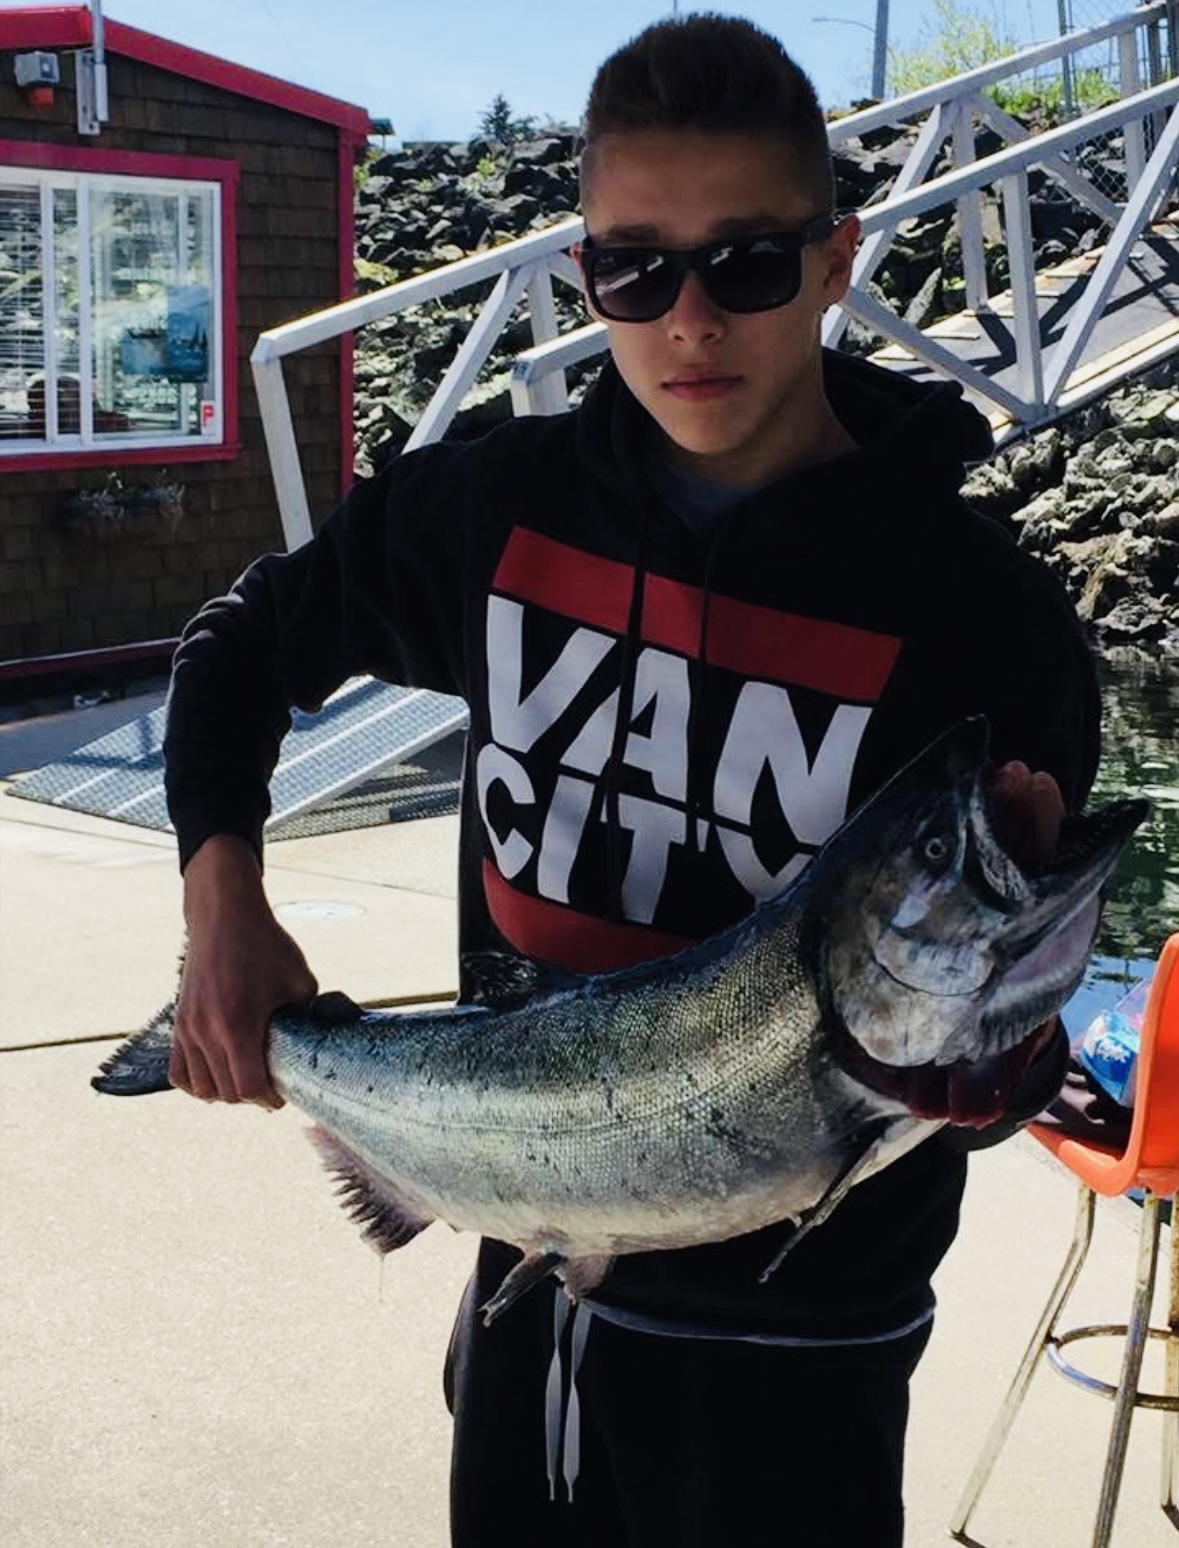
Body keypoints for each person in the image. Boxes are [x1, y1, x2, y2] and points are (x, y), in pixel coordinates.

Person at [162, 15, 1100, 1545]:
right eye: (633, 270)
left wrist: (998, 1073)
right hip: (530, 1282)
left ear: (837, 256)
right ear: (585, 274)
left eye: (746, 263)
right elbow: (236, 645)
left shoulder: (983, 617)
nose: (689, 321)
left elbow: (975, 1052)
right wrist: (222, 901)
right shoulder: (499, 506)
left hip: (811, 1357)